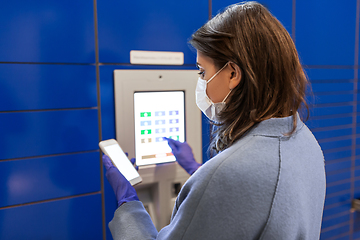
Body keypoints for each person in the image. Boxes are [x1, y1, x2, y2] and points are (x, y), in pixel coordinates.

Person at [103, 1, 326, 239]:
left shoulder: (232, 173)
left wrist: (129, 204)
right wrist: (199, 173)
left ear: (232, 74)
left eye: (202, 71)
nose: (200, 81)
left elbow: (241, 181)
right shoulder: (305, 142)